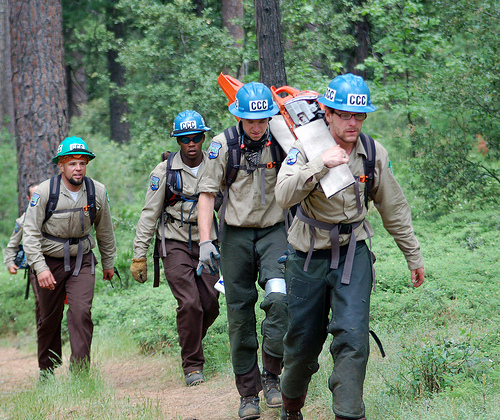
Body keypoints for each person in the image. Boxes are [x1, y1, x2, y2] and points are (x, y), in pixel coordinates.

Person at [274, 73, 425, 420]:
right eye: (345, 115)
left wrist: (412, 255)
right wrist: (319, 164)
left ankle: (348, 413)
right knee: (301, 345)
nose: (352, 123)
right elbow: (283, 196)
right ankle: (291, 405)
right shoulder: (305, 148)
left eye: (359, 116)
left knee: (353, 339)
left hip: (353, 254)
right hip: (307, 257)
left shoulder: (372, 153)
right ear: (327, 113)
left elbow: (394, 207)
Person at [197, 82, 289, 420]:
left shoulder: (282, 141)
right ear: (239, 117)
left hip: (274, 233)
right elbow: (207, 195)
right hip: (234, 237)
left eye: (263, 119)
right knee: (239, 316)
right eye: (250, 120)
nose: (256, 126)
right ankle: (248, 394)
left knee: (279, 300)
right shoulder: (222, 146)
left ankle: (273, 375)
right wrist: (206, 241)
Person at [130, 110, 220, 387]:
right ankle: (192, 366)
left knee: (211, 305)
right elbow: (149, 213)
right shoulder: (163, 172)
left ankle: (189, 339)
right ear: (178, 141)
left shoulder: (216, 165)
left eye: (195, 137)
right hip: (174, 242)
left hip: (209, 243)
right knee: (190, 303)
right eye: (184, 139)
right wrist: (139, 255)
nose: (191, 143)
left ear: (203, 137)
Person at [23, 136, 116, 379]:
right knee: (49, 319)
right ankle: (48, 369)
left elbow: (105, 230)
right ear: (61, 166)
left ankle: (80, 373)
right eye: (72, 163)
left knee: (81, 312)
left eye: (82, 163)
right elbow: (30, 232)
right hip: (49, 261)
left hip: (82, 260)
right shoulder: (44, 192)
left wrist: (108, 263)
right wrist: (40, 268)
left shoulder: (97, 191)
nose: (78, 168)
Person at [4, 182, 40, 318]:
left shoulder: (54, 214)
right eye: (35, 196)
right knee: (41, 302)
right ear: (29, 199)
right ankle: (43, 335)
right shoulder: (23, 220)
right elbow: (12, 244)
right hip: (34, 267)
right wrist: (9, 263)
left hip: (56, 263)